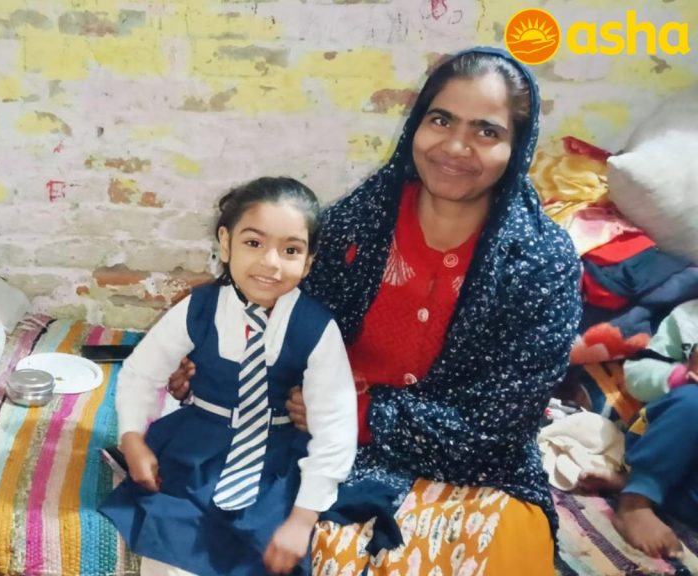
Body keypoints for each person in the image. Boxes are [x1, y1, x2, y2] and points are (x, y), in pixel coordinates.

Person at [169, 47, 581, 574]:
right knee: (255, 536)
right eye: (441, 120)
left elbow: (499, 428)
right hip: (325, 445)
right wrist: (204, 357)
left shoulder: (542, 261)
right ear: (416, 125)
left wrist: (359, 414)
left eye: (486, 131)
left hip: (479, 470)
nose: (455, 146)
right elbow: (273, 311)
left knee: (497, 555)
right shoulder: (358, 224)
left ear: (517, 147)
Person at [99, 177, 358, 576]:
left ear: (308, 262)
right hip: (197, 446)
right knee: (169, 540)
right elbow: (140, 373)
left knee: (263, 551)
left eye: (290, 250)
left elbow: (336, 426)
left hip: (275, 459)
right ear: (226, 243)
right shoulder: (199, 308)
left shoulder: (317, 328)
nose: (271, 262)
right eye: (254, 243)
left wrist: (303, 519)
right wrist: (132, 438)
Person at [578, 299, 698, 559]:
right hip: (665, 436)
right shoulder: (687, 320)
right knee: (693, 401)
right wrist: (679, 376)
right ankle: (636, 501)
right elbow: (638, 374)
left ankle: (633, 484)